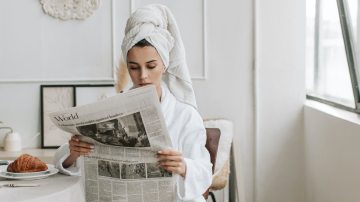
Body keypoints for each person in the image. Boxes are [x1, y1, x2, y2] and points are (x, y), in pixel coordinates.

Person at [53, 4, 212, 202]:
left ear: (164, 64)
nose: (143, 76)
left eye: (151, 66)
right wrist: (73, 154)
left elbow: (205, 172)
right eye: (134, 67)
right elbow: (62, 161)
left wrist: (184, 166)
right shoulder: (110, 108)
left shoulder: (185, 115)